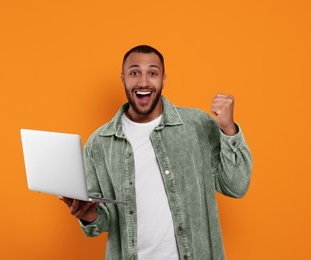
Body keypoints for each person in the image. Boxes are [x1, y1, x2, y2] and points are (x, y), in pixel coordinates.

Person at [60, 45, 252, 260]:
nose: (143, 82)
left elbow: (236, 186)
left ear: (163, 79)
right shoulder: (100, 143)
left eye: (152, 73)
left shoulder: (197, 125)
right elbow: (101, 222)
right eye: (134, 73)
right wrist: (89, 215)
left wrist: (228, 129)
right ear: (123, 78)